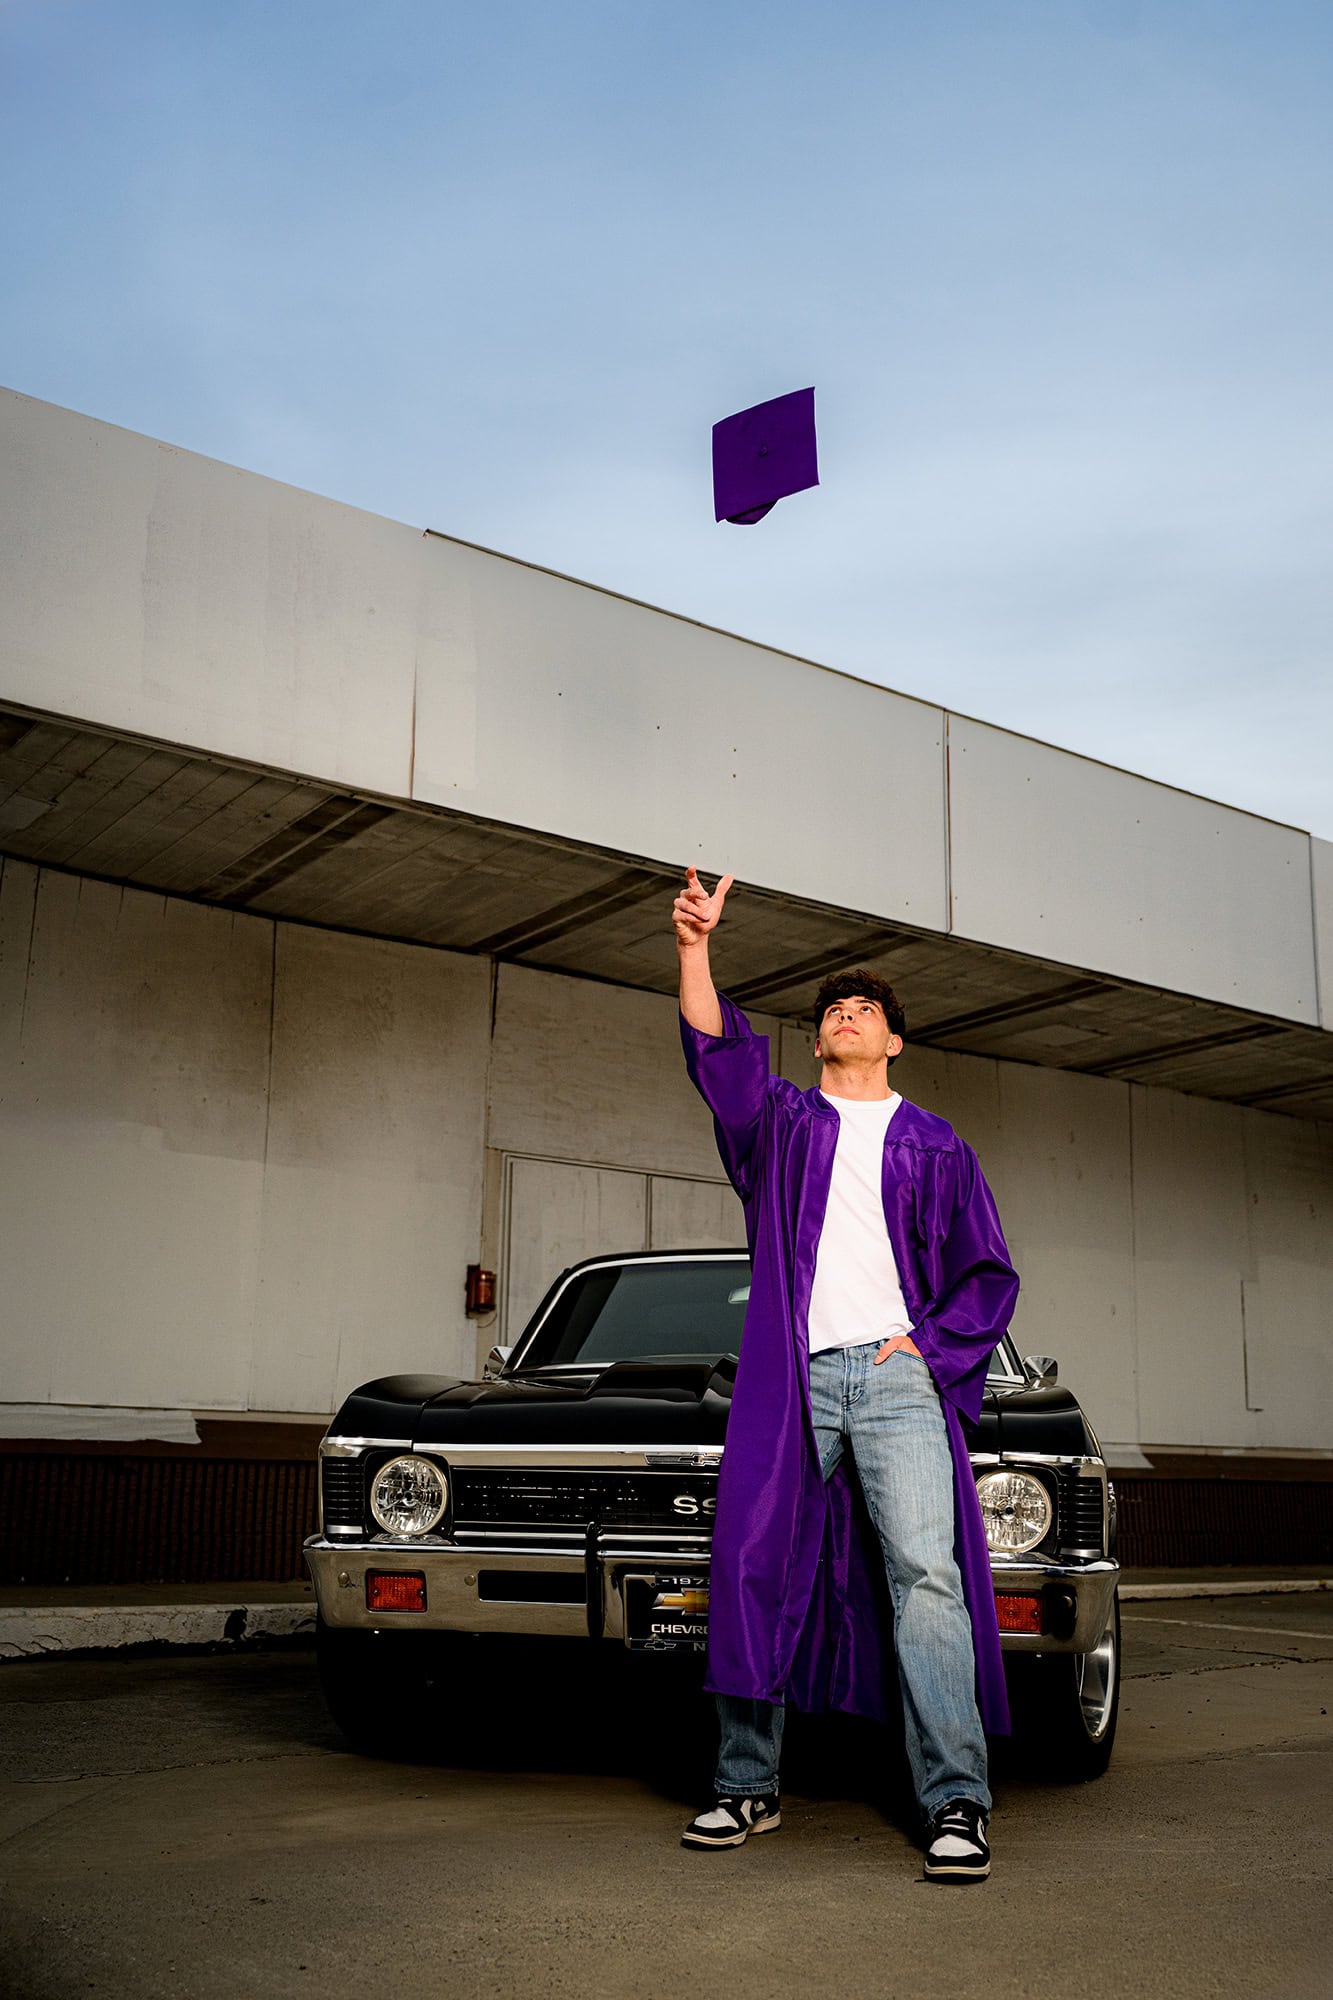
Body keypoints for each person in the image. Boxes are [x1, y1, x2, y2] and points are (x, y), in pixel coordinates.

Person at [673, 865, 1020, 1882]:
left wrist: (932, 1347)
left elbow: (987, 1271)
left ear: (893, 1038)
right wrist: (695, 946)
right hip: (795, 1379)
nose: (846, 1013)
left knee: (926, 1580)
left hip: (897, 1376)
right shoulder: (783, 1124)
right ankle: (746, 1782)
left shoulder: (936, 1144)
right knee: (750, 1565)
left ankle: (955, 1799)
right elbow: (716, 1054)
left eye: (865, 1006)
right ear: (818, 1037)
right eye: (832, 1007)